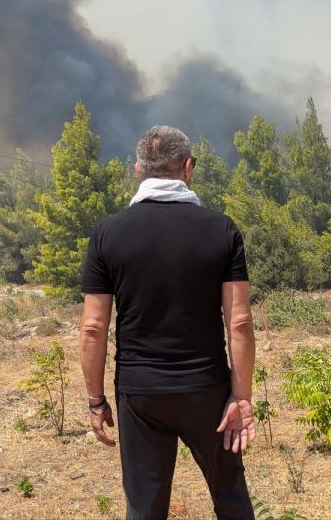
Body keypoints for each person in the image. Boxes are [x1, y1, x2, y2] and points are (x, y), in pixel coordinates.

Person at [79, 125, 256, 520]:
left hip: (140, 393)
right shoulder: (222, 230)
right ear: (188, 167)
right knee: (231, 500)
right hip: (207, 392)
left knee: (144, 508)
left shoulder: (107, 234)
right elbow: (240, 322)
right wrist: (240, 398)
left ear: (138, 168)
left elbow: (93, 328)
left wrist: (95, 400)